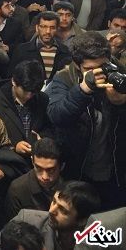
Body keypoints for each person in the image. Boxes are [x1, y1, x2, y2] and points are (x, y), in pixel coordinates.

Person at [47, 32, 126, 207]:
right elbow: (57, 116)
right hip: (80, 168)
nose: (98, 72)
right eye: (90, 69)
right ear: (77, 65)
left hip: (115, 170)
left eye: (102, 66)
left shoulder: (120, 73)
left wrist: (121, 103)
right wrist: (83, 89)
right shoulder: (65, 78)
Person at [0, 181, 101, 250]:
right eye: (54, 202)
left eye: (62, 210)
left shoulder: (96, 242)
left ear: (82, 220)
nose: (51, 211)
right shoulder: (28, 218)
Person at [0, 61, 54, 155]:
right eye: (25, 90)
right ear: (13, 81)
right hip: (6, 159)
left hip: (35, 157)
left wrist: (42, 139)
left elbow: (48, 128)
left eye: (33, 92)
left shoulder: (42, 99)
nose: (29, 95)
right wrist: (13, 147)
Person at [4, 138, 64, 222]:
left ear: (62, 166)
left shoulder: (69, 188)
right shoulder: (18, 189)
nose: (44, 177)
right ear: (32, 161)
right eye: (39, 168)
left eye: (51, 170)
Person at [9, 12, 72, 82]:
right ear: (37, 28)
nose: (48, 31)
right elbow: (11, 77)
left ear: (57, 29)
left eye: (52, 28)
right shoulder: (21, 50)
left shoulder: (65, 51)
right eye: (44, 27)